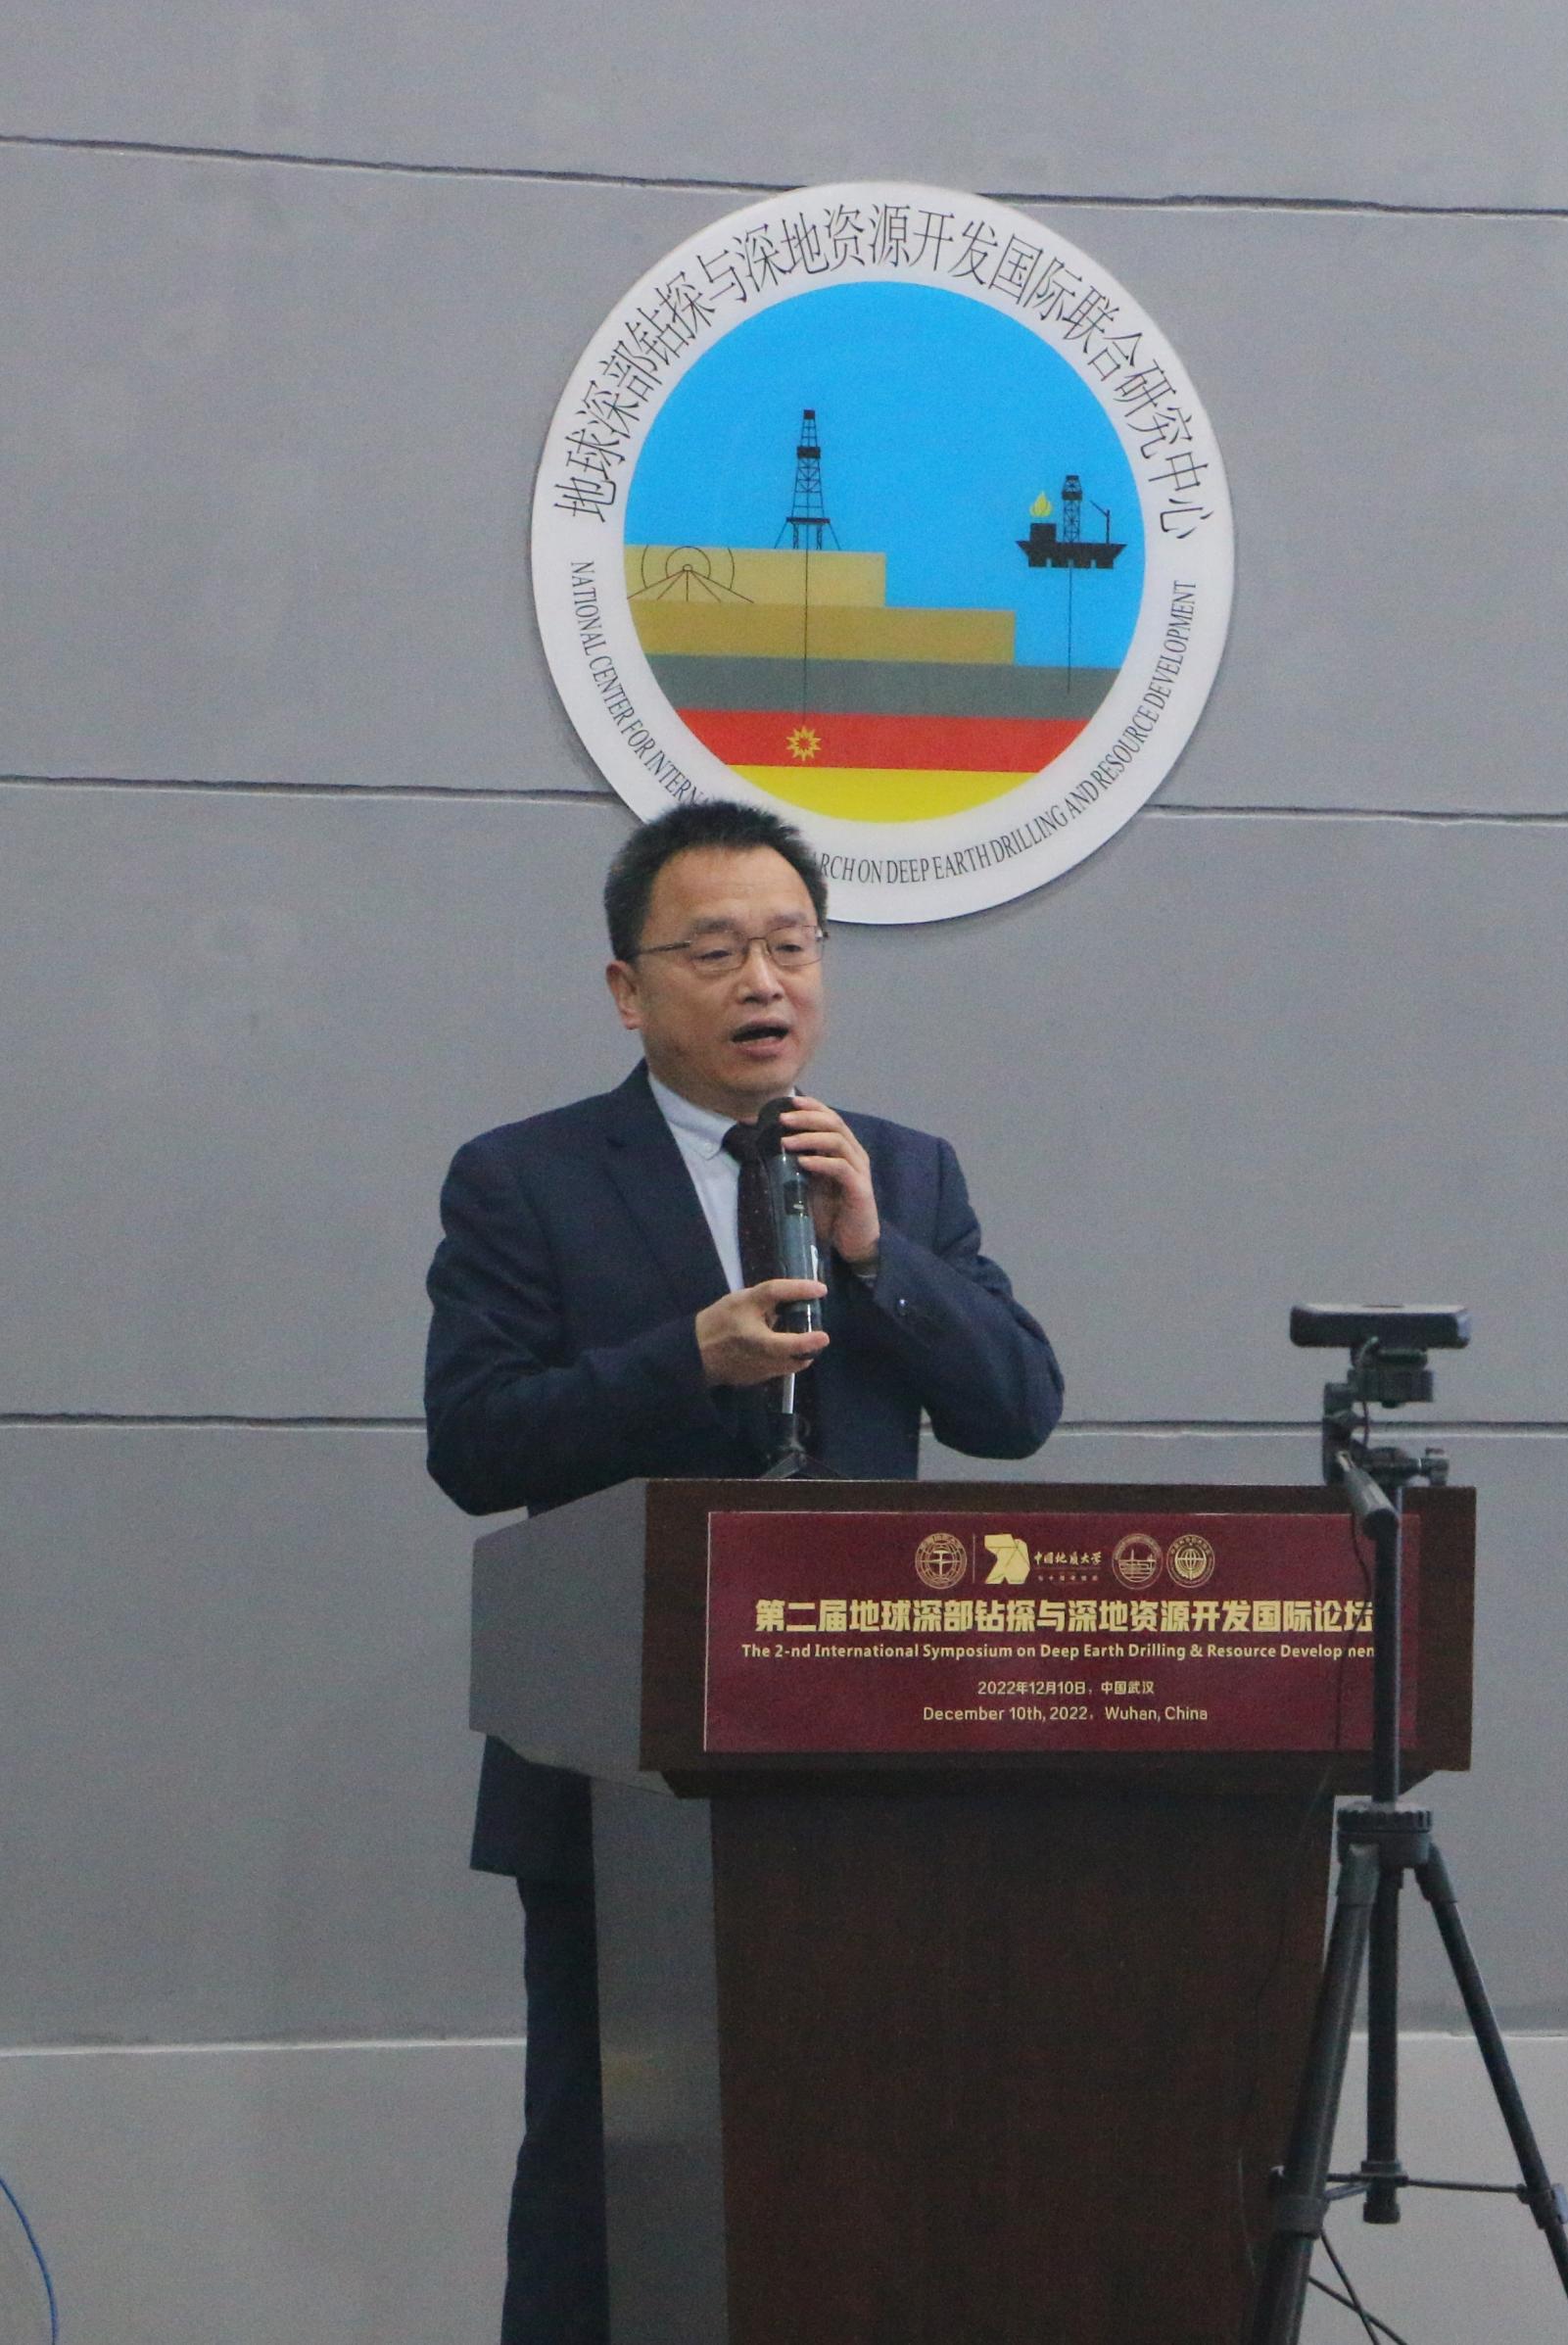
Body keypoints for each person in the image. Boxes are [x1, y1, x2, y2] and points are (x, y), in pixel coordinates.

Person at [423, 798, 1063, 2344]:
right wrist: (683, 1359)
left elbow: (1017, 1407)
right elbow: (475, 1441)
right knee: (603, 2166)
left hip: (866, 1765)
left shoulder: (903, 1171)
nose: (763, 981)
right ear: (628, 989)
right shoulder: (524, 1179)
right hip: (622, 1770)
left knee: (865, 2154)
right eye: (714, 950)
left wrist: (878, 1256)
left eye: (790, 945)